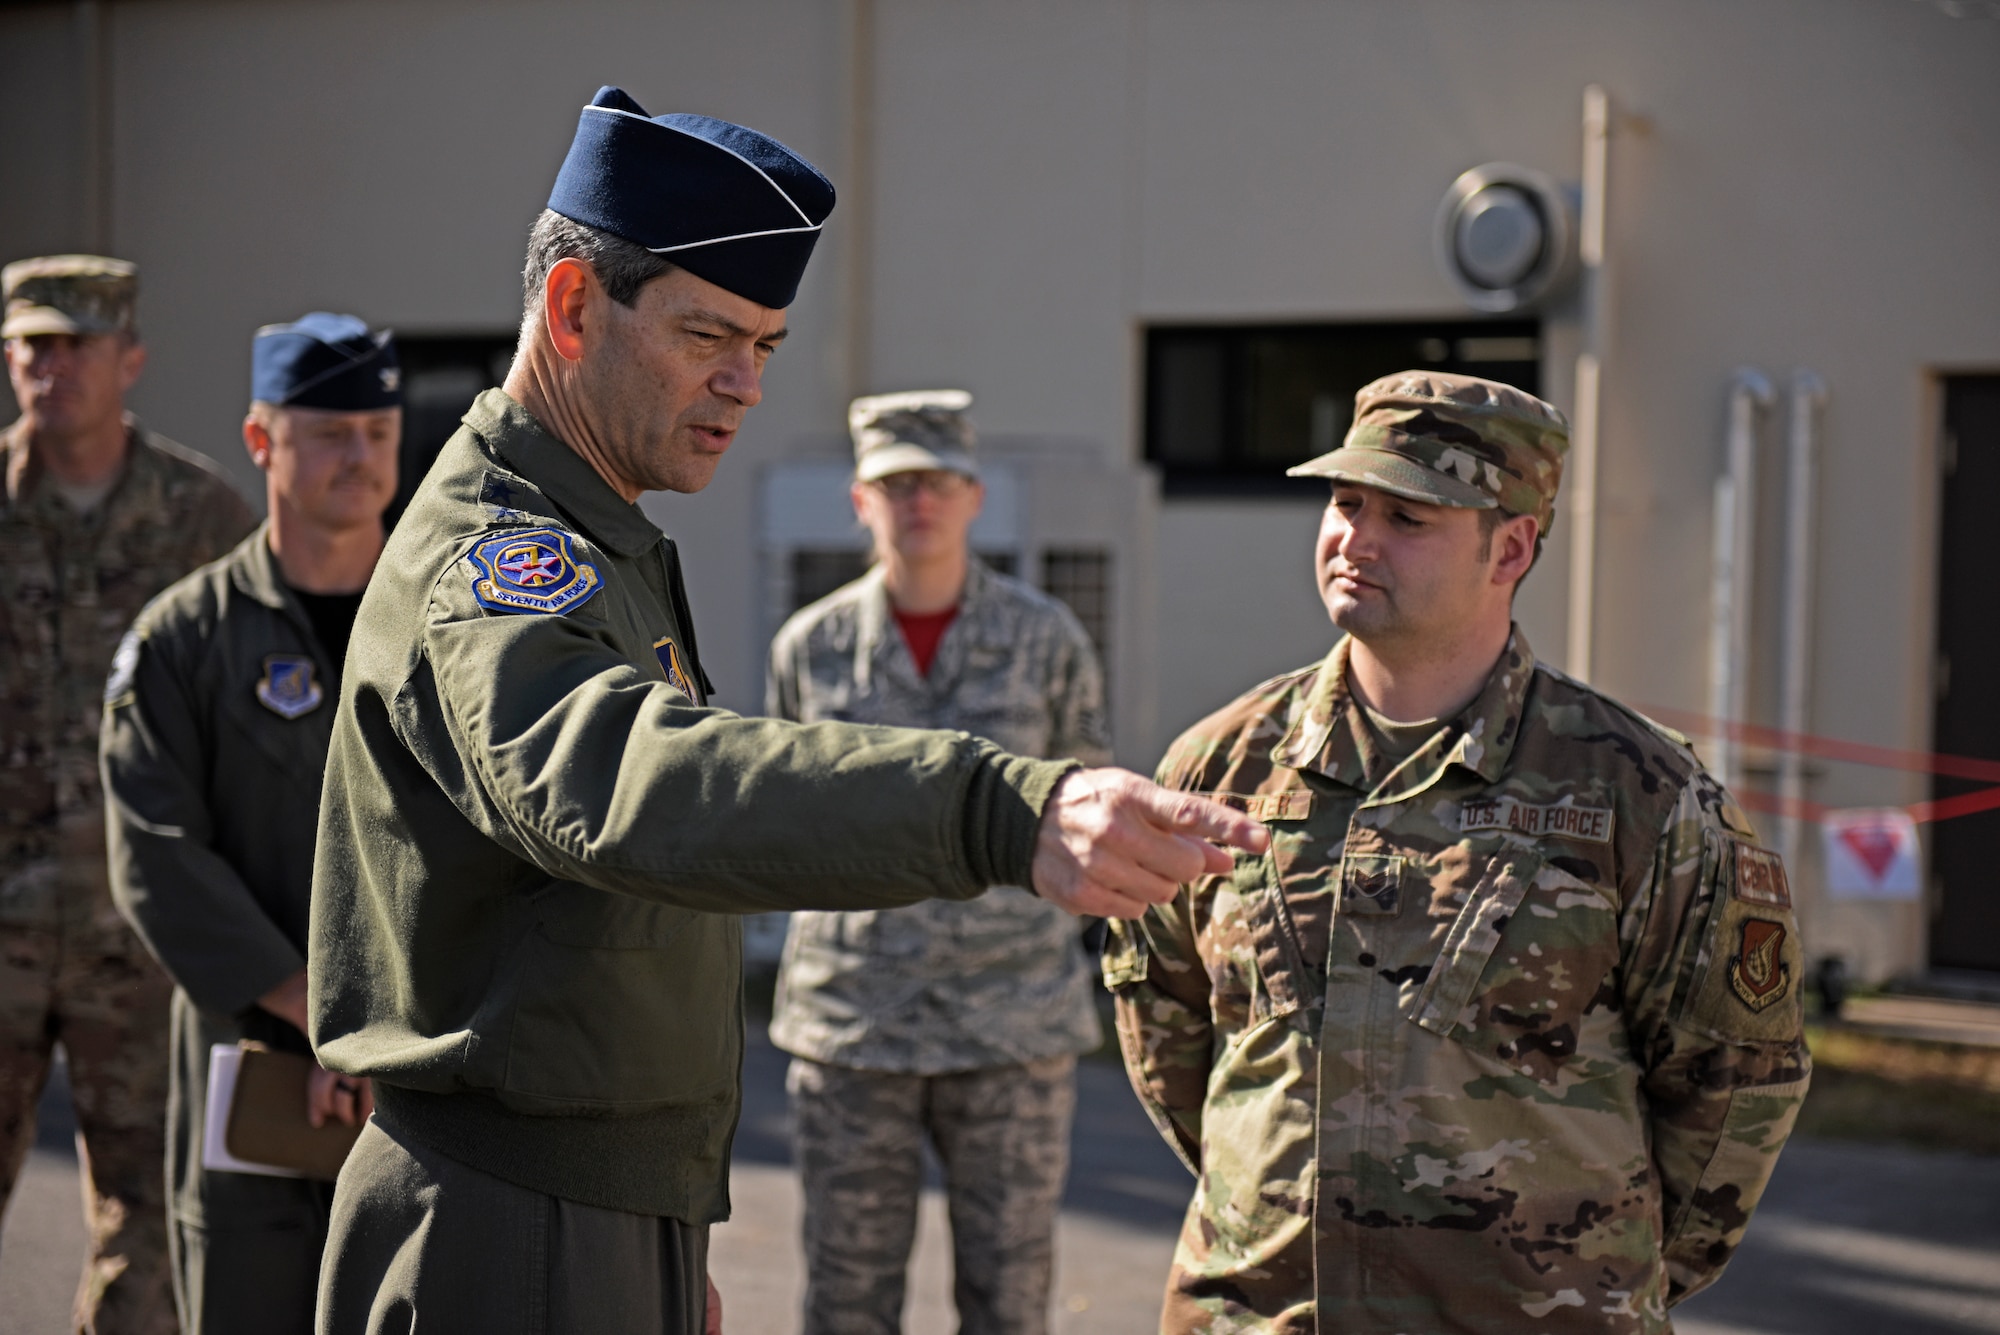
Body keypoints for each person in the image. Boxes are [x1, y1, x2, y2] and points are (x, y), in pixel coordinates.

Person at [308, 86, 1264, 1335]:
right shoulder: (499, 561)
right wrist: (996, 807)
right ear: (572, 307)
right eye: (710, 335)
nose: (744, 383)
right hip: (515, 1220)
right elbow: (626, 786)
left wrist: (659, 1225)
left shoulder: (599, 536)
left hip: (587, 1209)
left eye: (764, 345)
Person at [1104, 371, 1811, 1334]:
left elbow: (1733, 1085)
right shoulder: (1220, 766)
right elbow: (1168, 1026)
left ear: (1510, 547)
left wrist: (1597, 1276)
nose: (1357, 537)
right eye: (1346, 502)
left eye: (1409, 516)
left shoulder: (1635, 793)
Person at [767, 390, 1109, 1335]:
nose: (918, 501)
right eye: (896, 482)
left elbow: (1088, 804)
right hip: (855, 1022)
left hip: (1011, 1021)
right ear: (860, 502)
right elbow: (787, 823)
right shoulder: (813, 648)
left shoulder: (1045, 640)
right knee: (847, 1299)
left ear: (973, 496)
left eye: (938, 482)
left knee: (1008, 1302)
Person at [101, 313, 403, 1334]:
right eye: (329, 432)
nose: (359, 456)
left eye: (377, 429)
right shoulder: (185, 640)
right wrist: (319, 1017)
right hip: (255, 1077)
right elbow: (157, 857)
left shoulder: (448, 629)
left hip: (419, 1078)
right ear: (262, 441)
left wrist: (387, 1033)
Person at [0, 254, 255, 1333]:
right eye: (32, 349)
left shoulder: (201, 519)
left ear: (130, 359)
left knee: (145, 1230)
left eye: (78, 347)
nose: (53, 370)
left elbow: (253, 714)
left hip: (139, 941)